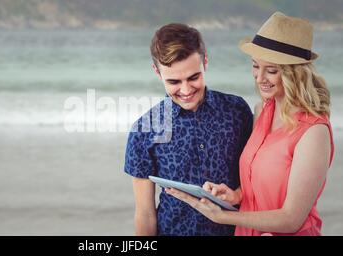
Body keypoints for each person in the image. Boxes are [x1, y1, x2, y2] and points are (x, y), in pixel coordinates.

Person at [166, 12, 334, 236]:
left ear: (296, 75)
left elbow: (292, 218)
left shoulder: (314, 132)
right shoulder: (262, 110)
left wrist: (223, 216)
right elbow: (258, 181)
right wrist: (236, 195)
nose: (259, 77)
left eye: (272, 70)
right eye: (256, 66)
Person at [124, 23, 253, 236]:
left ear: (206, 62)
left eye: (194, 77)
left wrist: (238, 193)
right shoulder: (144, 129)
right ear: (157, 72)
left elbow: (255, 180)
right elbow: (145, 214)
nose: (186, 90)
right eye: (174, 81)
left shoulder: (237, 111)